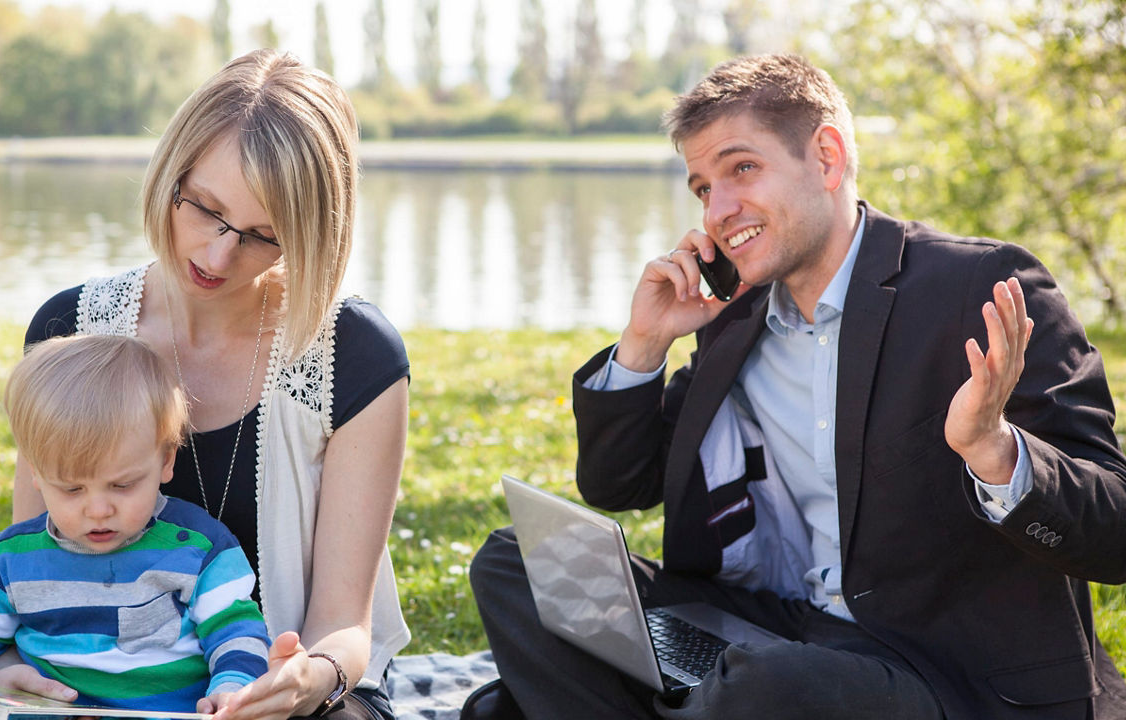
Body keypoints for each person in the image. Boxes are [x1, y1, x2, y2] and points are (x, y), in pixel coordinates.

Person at [467, 53, 1126, 720]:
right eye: (701, 187)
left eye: (741, 169)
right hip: (769, 627)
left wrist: (994, 449)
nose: (719, 211)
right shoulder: (736, 317)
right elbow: (619, 485)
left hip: (939, 672)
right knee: (522, 561)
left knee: (767, 687)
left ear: (827, 158)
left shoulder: (980, 289)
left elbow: (1116, 526)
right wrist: (645, 345)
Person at [0, 50, 408, 720]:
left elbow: (345, 627)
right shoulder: (69, 330)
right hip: (90, 692)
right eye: (205, 208)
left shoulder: (355, 355)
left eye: (265, 237)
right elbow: (33, 568)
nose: (218, 255)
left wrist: (306, 680)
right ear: (171, 173)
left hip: (281, 702)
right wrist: (8, 666)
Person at [0, 334, 271, 714]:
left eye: (122, 485)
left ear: (166, 460)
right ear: (36, 473)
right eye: (71, 489)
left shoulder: (199, 549)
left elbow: (237, 633)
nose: (98, 509)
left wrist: (232, 688)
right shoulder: (12, 559)